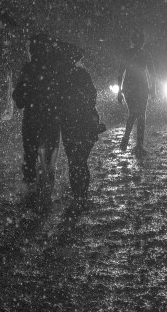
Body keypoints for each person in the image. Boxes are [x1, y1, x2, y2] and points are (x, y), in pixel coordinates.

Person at [13, 34, 64, 208]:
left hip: (32, 119)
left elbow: (19, 97)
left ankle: (30, 194)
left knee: (30, 156)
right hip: (51, 119)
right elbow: (61, 95)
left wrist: (25, 95)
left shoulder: (28, 69)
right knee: (49, 158)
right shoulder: (55, 69)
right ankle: (45, 195)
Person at [55, 41, 102, 210]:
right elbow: (92, 97)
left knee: (76, 161)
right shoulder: (81, 74)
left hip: (73, 124)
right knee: (79, 161)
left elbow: (58, 101)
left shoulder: (60, 76)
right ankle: (81, 196)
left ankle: (79, 196)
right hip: (84, 123)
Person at [117, 28, 156, 154]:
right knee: (140, 115)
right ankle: (137, 144)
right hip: (140, 87)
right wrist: (153, 89)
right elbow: (152, 73)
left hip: (130, 86)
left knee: (135, 114)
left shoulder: (127, 53)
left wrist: (120, 90)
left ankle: (130, 139)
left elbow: (120, 72)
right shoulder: (145, 54)